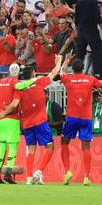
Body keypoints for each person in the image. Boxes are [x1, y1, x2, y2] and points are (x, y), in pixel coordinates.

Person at [58, 58, 102, 185]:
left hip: (72, 117)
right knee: (86, 147)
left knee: (64, 142)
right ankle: (87, 176)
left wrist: (67, 60)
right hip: (86, 118)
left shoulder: (68, 78)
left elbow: (62, 71)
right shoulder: (90, 79)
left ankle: (68, 171)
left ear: (73, 69)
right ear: (83, 68)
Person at [19, 56, 66, 185]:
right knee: (50, 146)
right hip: (39, 122)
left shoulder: (20, 89)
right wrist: (59, 62)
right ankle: (39, 172)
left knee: (31, 150)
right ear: (33, 74)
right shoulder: (38, 82)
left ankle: (29, 178)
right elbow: (54, 73)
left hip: (27, 124)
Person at [74, 0, 102, 79]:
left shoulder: (79, 2)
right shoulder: (94, 2)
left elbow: (76, 18)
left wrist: (78, 28)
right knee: (97, 51)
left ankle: (77, 73)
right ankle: (97, 73)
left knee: (80, 53)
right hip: (91, 30)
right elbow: (97, 17)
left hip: (81, 30)